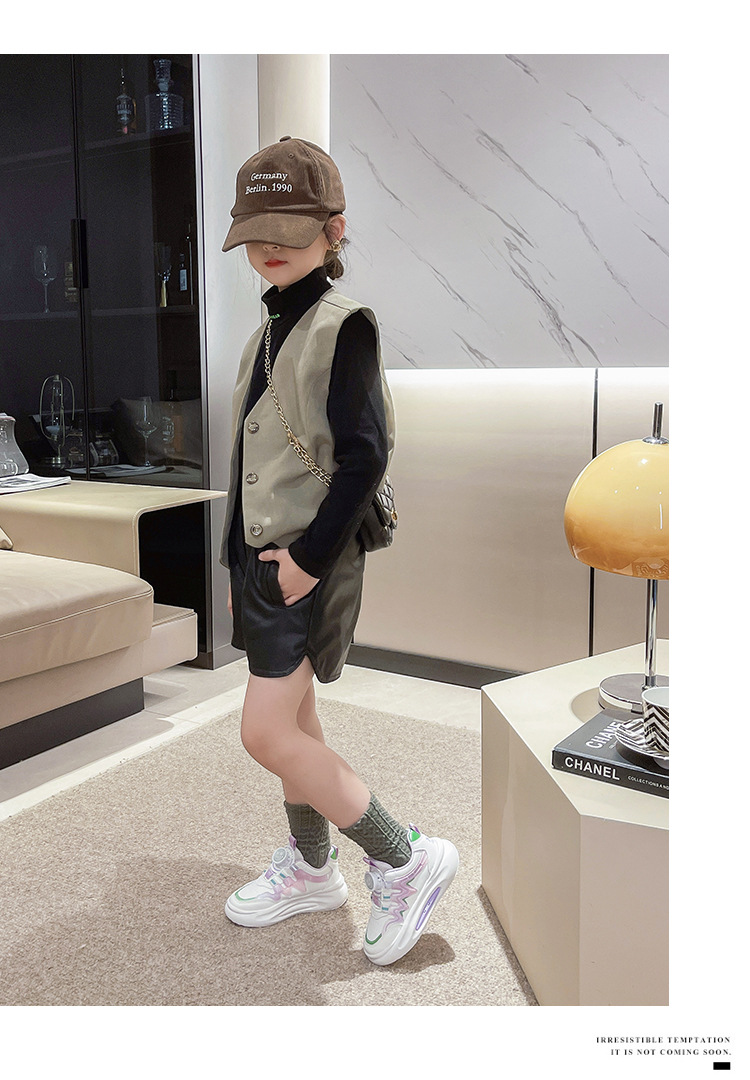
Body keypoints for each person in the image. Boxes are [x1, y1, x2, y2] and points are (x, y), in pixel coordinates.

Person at [218, 136, 458, 966]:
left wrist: (307, 563)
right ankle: (313, 868)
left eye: (287, 229)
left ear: (334, 230)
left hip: (304, 561)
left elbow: (365, 457)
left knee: (263, 733)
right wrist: (236, 564)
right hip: (263, 561)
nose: (269, 246)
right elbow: (250, 459)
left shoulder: (342, 325)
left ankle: (404, 855)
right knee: (296, 721)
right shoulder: (268, 327)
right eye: (255, 231)